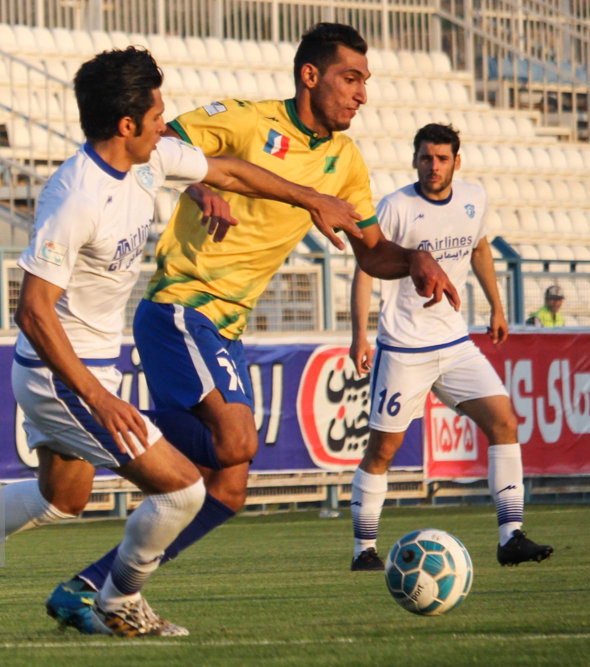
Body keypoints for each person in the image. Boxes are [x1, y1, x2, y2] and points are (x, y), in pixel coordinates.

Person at [0, 46, 376, 643]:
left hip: (90, 370)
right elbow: (32, 311)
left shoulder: (150, 158)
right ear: (126, 124)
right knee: (183, 489)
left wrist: (311, 198)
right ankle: (119, 601)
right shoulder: (75, 196)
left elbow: (232, 172)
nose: (168, 123)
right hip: (61, 376)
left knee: (62, 497)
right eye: (158, 114)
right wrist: (99, 397)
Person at [46, 23, 460, 634]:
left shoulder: (346, 162)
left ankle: (92, 587)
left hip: (226, 328)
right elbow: (160, 142)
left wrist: (416, 260)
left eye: (365, 82)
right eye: (350, 78)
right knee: (236, 441)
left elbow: (372, 252)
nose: (361, 94)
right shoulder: (245, 120)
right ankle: (95, 430)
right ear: (310, 76)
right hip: (181, 306)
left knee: (228, 490)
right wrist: (200, 188)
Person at [346, 123, 552, 571]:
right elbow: (366, 267)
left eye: (441, 158)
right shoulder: (396, 207)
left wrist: (497, 306)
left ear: (456, 161)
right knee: (383, 450)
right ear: (415, 160)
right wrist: (359, 333)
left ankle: (510, 536)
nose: (433, 166)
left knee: (504, 421)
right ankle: (364, 549)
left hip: (455, 341)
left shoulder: (474, 198)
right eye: (426, 158)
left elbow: (479, 249)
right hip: (404, 347)